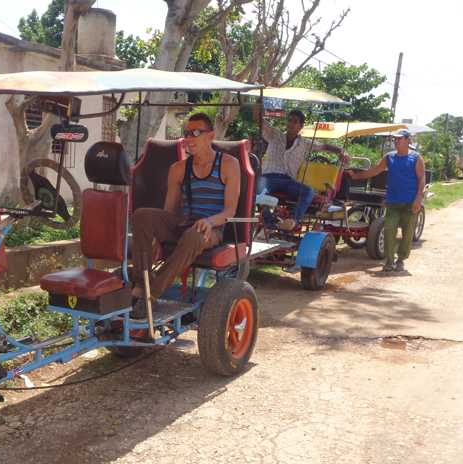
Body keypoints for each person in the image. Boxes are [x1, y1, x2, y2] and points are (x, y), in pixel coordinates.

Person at [130, 113, 240, 317]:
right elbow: (169, 211)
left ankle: (151, 294)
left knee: (194, 234)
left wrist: (208, 221)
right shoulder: (178, 169)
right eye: (187, 133)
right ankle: (141, 280)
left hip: (212, 228)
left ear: (210, 136)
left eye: (196, 132)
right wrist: (157, 236)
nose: (189, 138)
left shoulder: (228, 164)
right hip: (183, 222)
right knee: (142, 215)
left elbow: (230, 211)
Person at [349, 129, 426, 272]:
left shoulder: (416, 158)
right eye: (395, 139)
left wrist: (418, 198)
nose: (396, 141)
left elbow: (422, 178)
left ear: (408, 140)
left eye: (399, 139)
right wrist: (357, 176)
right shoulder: (389, 157)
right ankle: (389, 261)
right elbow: (375, 170)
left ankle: (401, 259)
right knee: (389, 228)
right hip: (393, 202)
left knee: (408, 232)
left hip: (410, 203)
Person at [255, 106, 338, 230]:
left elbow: (324, 146)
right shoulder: (274, 134)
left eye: (295, 121)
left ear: (301, 126)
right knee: (258, 192)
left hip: (288, 180)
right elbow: (258, 118)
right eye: (289, 120)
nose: (291, 124)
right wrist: (259, 100)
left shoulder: (304, 143)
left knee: (308, 191)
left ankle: (292, 220)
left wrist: (341, 151)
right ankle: (269, 221)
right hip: (269, 177)